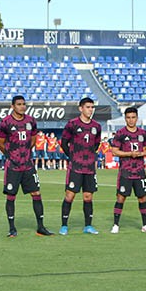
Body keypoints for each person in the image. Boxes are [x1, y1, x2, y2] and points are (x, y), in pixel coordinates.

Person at [0, 95, 54, 237]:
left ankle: (41, 227)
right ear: (12, 106)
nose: (22, 106)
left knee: (36, 193)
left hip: (28, 165)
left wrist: (25, 152)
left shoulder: (31, 121)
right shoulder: (5, 123)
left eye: (23, 104)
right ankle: (12, 229)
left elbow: (33, 139)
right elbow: (0, 143)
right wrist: (11, 155)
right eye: (19, 104)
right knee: (11, 196)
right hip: (13, 166)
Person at [59, 97, 102, 235]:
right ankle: (64, 225)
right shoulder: (72, 124)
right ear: (81, 108)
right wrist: (72, 156)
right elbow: (64, 142)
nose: (90, 110)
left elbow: (96, 144)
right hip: (75, 167)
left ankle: (88, 226)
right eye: (88, 107)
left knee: (88, 197)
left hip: (89, 167)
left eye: (92, 107)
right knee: (70, 195)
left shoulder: (96, 126)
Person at [110, 107, 146, 234]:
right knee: (121, 198)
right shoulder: (120, 133)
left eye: (133, 117)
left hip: (140, 171)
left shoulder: (143, 133)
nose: (131, 120)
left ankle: (145, 224)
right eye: (128, 117)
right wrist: (129, 153)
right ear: (125, 119)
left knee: (142, 198)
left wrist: (140, 153)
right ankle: (115, 224)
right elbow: (114, 150)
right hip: (125, 171)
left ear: (137, 118)